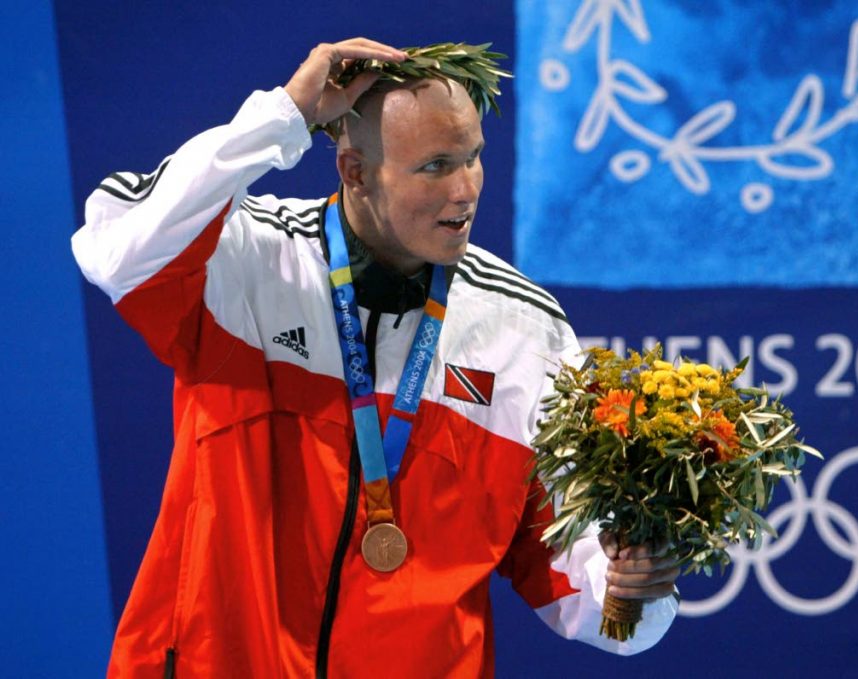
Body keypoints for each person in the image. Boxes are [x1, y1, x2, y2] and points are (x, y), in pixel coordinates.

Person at [72, 37, 680, 678]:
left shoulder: (524, 331)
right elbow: (117, 247)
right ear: (354, 170)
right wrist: (286, 114)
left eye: (473, 158)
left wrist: (626, 586)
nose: (465, 190)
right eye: (435, 166)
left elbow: (566, 564)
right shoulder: (248, 259)